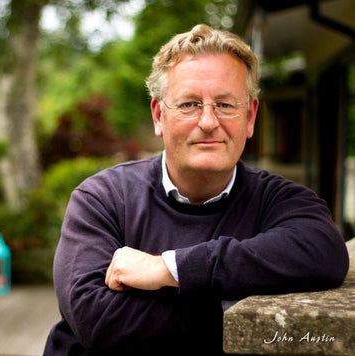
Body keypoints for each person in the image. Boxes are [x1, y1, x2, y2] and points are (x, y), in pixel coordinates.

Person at [44, 24, 349, 355]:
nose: (208, 121)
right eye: (189, 104)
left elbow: (324, 252)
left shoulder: (279, 201)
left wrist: (170, 269)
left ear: (250, 117)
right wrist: (234, 305)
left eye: (225, 104)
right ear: (159, 115)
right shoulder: (101, 200)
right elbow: (101, 325)